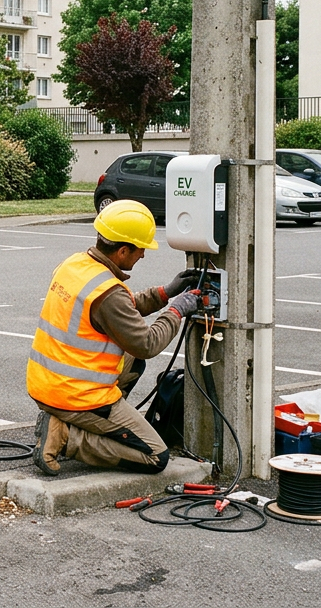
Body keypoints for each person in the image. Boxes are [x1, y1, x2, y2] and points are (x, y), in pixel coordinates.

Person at [26, 199, 204, 476]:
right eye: (140, 249)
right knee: (155, 456)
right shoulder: (109, 293)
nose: (143, 255)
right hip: (77, 396)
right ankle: (66, 437)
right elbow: (146, 343)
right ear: (123, 251)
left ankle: (87, 425)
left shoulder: (76, 265)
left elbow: (121, 309)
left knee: (131, 361)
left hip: (46, 384)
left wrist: (165, 292)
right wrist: (177, 310)